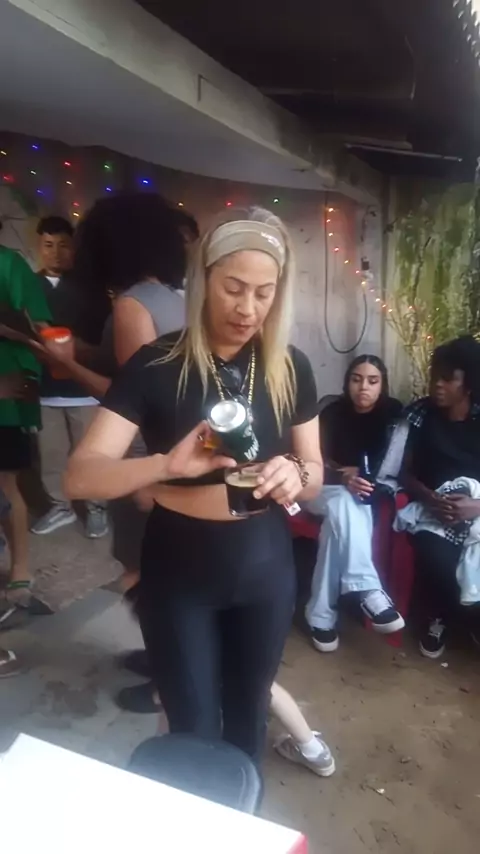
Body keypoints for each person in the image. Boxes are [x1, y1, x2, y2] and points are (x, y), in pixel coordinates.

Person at [65, 207, 323, 761]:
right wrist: (164, 466)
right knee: (192, 728)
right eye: (233, 288)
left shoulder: (289, 367)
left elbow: (315, 474)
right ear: (204, 279)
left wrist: (295, 473)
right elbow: (81, 476)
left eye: (264, 293)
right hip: (179, 570)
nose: (247, 308)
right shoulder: (156, 365)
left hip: (265, 565)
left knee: (248, 714)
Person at [305, 355, 404, 652]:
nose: (363, 387)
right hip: (319, 489)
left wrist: (358, 476)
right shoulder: (331, 412)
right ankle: (369, 589)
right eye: (356, 379)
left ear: (383, 385)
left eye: (373, 381)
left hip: (358, 496)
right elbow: (311, 461)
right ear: (347, 382)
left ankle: (320, 617)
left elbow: (390, 467)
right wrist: (342, 475)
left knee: (337, 523)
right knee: (344, 500)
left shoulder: (393, 416)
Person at [399, 336, 480, 659]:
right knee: (436, 555)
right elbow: (401, 472)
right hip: (433, 507)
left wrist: (475, 506)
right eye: (435, 376)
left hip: (476, 507)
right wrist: (429, 497)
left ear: (468, 384)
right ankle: (440, 617)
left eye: (448, 379)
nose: (437, 385)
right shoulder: (419, 415)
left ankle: (471, 619)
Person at [31, 215, 109, 538]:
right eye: (48, 245)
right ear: (39, 248)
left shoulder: (92, 290)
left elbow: (105, 339)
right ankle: (59, 505)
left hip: (84, 388)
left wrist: (79, 349)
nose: (55, 253)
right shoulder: (27, 287)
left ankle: (97, 507)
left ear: (73, 248)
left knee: (89, 453)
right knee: (51, 453)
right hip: (43, 387)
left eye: (63, 245)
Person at [0, 229, 52, 626]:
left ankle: (19, 571)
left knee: (6, 484)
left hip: (5, 396)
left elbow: (41, 331)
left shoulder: (10, 265)